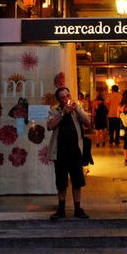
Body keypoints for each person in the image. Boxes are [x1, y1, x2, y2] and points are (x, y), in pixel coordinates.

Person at [46, 86, 91, 220]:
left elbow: (87, 123)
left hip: (75, 150)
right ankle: (61, 209)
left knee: (77, 180)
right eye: (63, 97)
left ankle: (78, 208)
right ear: (58, 100)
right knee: (61, 181)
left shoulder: (77, 108)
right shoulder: (54, 110)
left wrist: (77, 109)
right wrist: (62, 114)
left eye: (67, 96)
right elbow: (50, 126)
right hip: (59, 151)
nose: (66, 99)